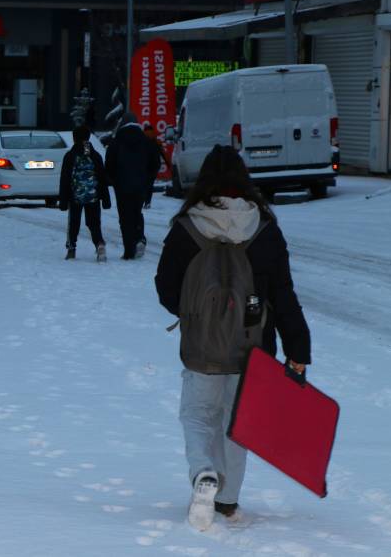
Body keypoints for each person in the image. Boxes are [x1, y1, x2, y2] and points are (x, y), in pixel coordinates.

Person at [154, 145, 311, 530]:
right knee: (237, 423)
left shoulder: (187, 227)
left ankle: (203, 473)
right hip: (252, 349)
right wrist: (298, 349)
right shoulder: (264, 229)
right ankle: (226, 501)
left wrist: (195, 315)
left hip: (201, 347)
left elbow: (165, 288)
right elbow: (284, 294)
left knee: (196, 415)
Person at [105, 112, 161, 259]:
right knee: (137, 212)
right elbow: (155, 162)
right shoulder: (146, 141)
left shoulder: (117, 141)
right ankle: (140, 237)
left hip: (122, 185)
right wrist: (148, 180)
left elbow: (109, 163)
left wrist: (113, 179)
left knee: (125, 216)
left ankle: (129, 250)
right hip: (141, 184)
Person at [59, 125, 111, 261]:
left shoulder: (70, 155)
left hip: (75, 196)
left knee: (74, 223)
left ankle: (71, 249)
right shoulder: (95, 155)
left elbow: (65, 178)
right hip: (93, 195)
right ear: (88, 138)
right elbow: (102, 178)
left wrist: (63, 200)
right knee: (94, 223)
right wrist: (105, 199)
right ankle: (99, 244)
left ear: (74, 138)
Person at [142, 123, 171, 209]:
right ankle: (147, 202)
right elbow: (164, 154)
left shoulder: (141, 141)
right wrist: (169, 165)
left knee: (144, 183)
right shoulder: (157, 141)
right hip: (155, 165)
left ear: (144, 131)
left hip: (144, 166)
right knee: (150, 184)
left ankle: (142, 200)